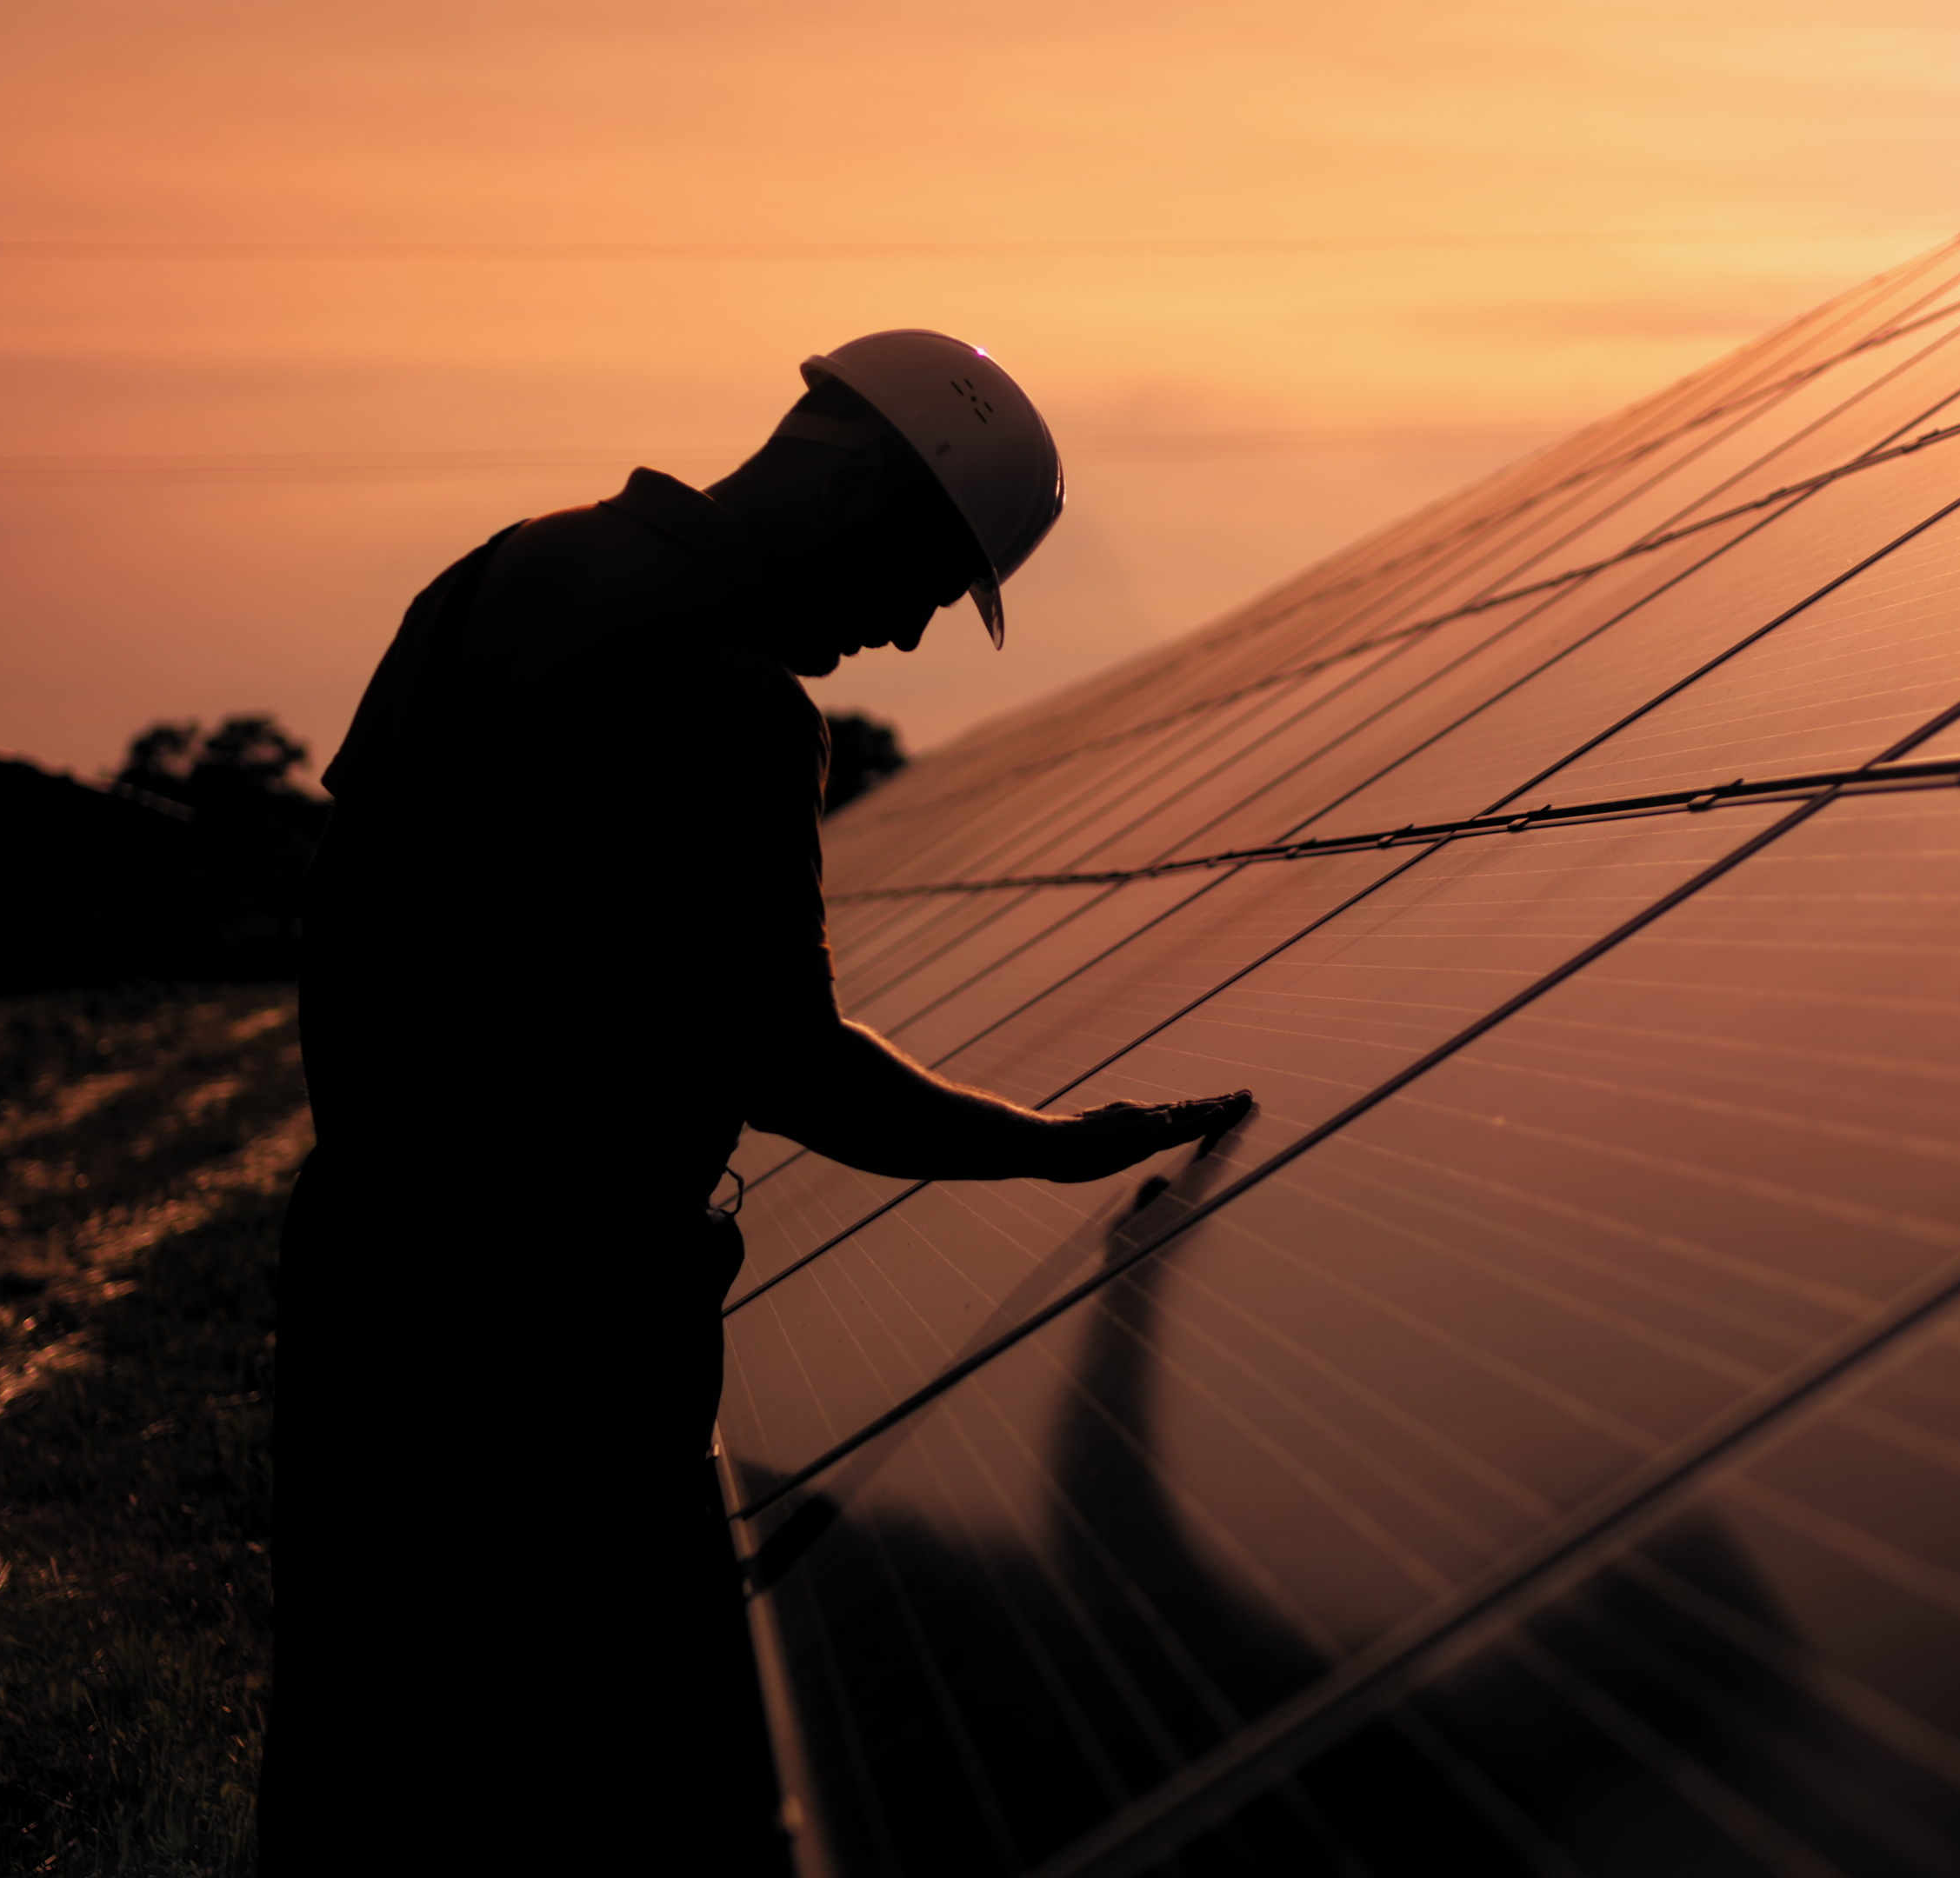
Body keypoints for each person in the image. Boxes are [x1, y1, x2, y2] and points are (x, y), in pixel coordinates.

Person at [273, 330, 1250, 1871]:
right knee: (604, 1783)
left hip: (365, 1277)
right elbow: (796, 1064)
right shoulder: (737, 712)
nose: (910, 640)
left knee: (366, 1747)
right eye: (929, 585)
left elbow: (344, 911)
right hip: (564, 1337)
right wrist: (1052, 1148)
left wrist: (391, 1172)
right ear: (862, 486)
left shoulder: (504, 575)